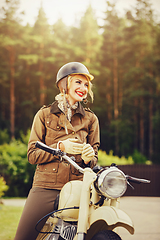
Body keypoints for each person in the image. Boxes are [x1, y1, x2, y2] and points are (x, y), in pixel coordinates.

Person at [14, 62, 100, 240]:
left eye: (86, 85)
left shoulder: (91, 119)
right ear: (64, 84)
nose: (83, 88)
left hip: (77, 188)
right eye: (78, 82)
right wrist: (60, 148)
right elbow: (32, 155)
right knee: (23, 237)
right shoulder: (44, 114)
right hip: (46, 186)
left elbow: (93, 159)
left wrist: (88, 158)